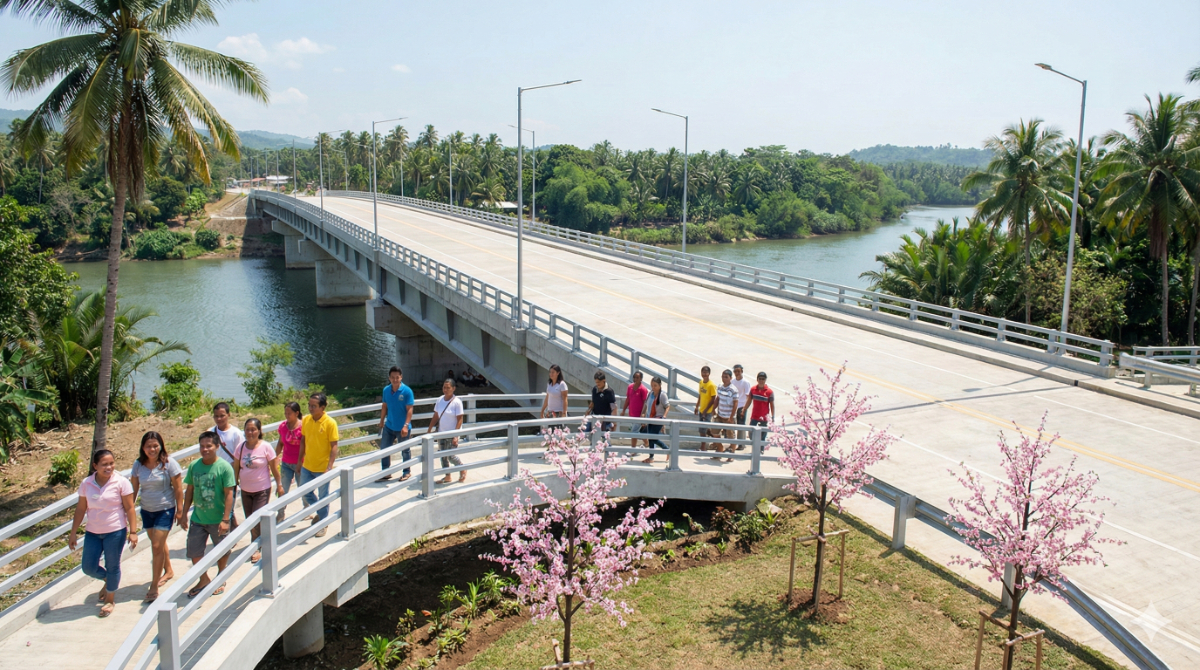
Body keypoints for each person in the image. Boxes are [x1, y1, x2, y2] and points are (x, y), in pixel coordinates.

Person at [68, 449, 138, 618]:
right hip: (93, 531)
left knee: (113, 565)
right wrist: (73, 533)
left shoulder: (121, 482)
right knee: (88, 567)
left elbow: (129, 508)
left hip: (115, 530)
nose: (109, 467)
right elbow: (80, 509)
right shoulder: (87, 483)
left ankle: (110, 599)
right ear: (95, 466)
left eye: (111, 463)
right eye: (104, 464)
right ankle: (109, 580)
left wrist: (133, 531)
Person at [181, 431, 235, 599]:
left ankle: (221, 576)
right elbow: (189, 490)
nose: (205, 449)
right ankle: (204, 579)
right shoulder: (194, 466)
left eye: (209, 446)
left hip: (218, 519)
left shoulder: (224, 467)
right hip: (198, 518)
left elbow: (229, 494)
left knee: (223, 551)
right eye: (202, 446)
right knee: (194, 552)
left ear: (217, 447)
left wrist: (226, 519)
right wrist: (183, 514)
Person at [129, 431, 182, 602]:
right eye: (148, 446)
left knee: (156, 546)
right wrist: (128, 513)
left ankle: (153, 585)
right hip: (147, 510)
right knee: (157, 544)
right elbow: (134, 490)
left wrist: (180, 510)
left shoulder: (168, 463)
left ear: (161, 445)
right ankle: (168, 570)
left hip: (165, 509)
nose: (152, 449)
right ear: (143, 448)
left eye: (155, 445)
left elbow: (178, 488)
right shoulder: (138, 465)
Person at [233, 418, 282, 564]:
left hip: (262, 489)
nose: (250, 432)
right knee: (250, 519)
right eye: (247, 429)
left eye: (253, 429)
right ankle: (256, 542)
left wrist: (279, 485)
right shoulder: (240, 448)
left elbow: (274, 468)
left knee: (257, 518)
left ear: (259, 431)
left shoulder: (266, 447)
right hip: (245, 490)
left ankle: (257, 547)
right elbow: (236, 469)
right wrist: (233, 486)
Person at [298, 392, 339, 537]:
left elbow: (334, 446)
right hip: (307, 465)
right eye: (309, 405)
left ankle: (323, 522)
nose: (310, 408)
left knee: (324, 496)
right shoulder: (306, 420)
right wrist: (299, 460)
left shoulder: (330, 423)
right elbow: (303, 440)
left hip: (322, 468)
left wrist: (329, 467)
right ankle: (321, 513)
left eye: (314, 406)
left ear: (322, 407)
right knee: (304, 492)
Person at [209, 402, 244, 529]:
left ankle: (229, 532)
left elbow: (240, 456)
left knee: (228, 503)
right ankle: (233, 528)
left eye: (222, 416)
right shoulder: (210, 432)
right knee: (220, 504)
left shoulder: (236, 433)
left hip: (230, 475)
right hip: (214, 474)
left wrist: (237, 475)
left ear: (228, 415)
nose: (219, 419)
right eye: (216, 416)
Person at [378, 366, 415, 482]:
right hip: (389, 425)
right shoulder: (386, 390)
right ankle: (386, 472)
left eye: (397, 377)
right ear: (389, 378)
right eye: (392, 377)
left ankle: (406, 472)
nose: (395, 380)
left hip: (402, 428)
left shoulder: (407, 391)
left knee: (405, 450)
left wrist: (405, 425)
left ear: (401, 377)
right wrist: (381, 421)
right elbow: (384, 406)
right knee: (384, 449)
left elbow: (410, 409)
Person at [428, 378, 466, 484]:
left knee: (450, 455)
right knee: (442, 455)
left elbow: (460, 419)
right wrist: (429, 429)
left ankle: (462, 468)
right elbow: (436, 415)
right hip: (441, 432)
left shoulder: (457, 402)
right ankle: (447, 476)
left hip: (451, 433)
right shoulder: (440, 400)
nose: (445, 390)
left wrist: (455, 435)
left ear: (453, 388)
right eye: (444, 387)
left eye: (448, 388)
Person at [275, 401, 303, 522]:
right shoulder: (283, 427)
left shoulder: (303, 427)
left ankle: (308, 507)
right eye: (285, 413)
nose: (287, 415)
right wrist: (275, 457)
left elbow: (307, 445)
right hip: (286, 463)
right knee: (282, 489)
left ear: (297, 413)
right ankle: (280, 513)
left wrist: (302, 463)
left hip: (300, 464)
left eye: (289, 413)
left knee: (304, 488)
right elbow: (280, 443)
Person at [641, 377, 670, 464]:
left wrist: (664, 417)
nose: (653, 387)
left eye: (655, 386)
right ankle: (651, 457)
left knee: (652, 437)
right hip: (650, 418)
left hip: (658, 419)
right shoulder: (650, 394)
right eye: (652, 385)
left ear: (660, 385)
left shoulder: (662, 395)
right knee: (650, 438)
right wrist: (643, 414)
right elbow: (646, 405)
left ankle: (667, 449)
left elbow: (667, 406)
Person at [713, 369, 740, 460]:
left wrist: (731, 417)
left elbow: (736, 403)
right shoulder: (720, 387)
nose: (724, 379)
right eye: (723, 377)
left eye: (726, 377)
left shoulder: (733, 389)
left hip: (729, 417)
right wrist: (713, 409)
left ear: (730, 378)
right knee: (714, 432)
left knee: (731, 435)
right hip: (720, 415)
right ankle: (720, 448)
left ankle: (731, 454)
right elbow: (717, 399)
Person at [621, 371, 649, 451]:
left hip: (639, 415)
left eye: (637, 377)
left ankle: (633, 450)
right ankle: (647, 443)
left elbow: (645, 403)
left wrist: (643, 414)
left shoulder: (643, 389)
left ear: (641, 379)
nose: (635, 379)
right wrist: (623, 410)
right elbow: (628, 399)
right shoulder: (630, 387)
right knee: (638, 431)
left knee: (634, 432)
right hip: (632, 414)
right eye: (634, 377)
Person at [693, 366, 717, 451]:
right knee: (703, 429)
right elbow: (700, 395)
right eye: (703, 372)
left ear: (709, 373)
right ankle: (716, 440)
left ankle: (703, 447)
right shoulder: (701, 383)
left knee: (703, 429)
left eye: (706, 372)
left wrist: (706, 410)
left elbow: (713, 399)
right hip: (701, 410)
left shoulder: (711, 385)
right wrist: (697, 406)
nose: (705, 374)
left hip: (708, 411)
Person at [731, 365, 752, 441]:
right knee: (732, 423)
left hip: (741, 406)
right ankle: (732, 441)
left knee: (741, 425)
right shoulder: (732, 381)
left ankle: (741, 443)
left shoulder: (746, 382)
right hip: (733, 405)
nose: (737, 373)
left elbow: (748, 397)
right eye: (735, 371)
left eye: (738, 371)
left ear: (742, 371)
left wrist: (744, 409)